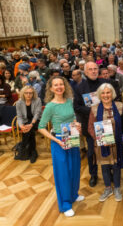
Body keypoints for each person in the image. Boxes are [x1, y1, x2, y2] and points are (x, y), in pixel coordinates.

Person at [38, 76, 84, 217]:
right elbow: (41, 127)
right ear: (51, 89)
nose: (59, 87)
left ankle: (73, 195)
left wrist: (77, 125)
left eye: (61, 84)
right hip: (59, 142)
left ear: (65, 86)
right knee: (63, 173)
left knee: (75, 169)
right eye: (56, 85)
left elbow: (72, 118)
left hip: (72, 138)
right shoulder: (50, 106)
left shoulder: (69, 101)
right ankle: (65, 204)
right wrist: (56, 140)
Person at [88, 83, 123, 202]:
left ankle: (117, 188)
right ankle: (108, 188)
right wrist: (100, 140)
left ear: (112, 93)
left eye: (108, 92)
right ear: (99, 95)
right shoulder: (94, 108)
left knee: (117, 166)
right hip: (101, 144)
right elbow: (90, 128)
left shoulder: (119, 106)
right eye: (103, 93)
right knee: (104, 167)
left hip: (117, 143)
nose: (106, 95)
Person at [74, 61, 107, 187]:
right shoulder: (79, 88)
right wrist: (94, 110)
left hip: (105, 123)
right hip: (89, 124)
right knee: (91, 152)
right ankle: (93, 174)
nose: (93, 71)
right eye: (90, 69)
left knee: (106, 148)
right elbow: (76, 107)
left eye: (95, 69)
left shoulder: (105, 84)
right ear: (85, 72)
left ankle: (108, 171)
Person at [15, 85, 42, 162]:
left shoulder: (37, 100)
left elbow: (37, 114)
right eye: (26, 93)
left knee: (29, 130)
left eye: (30, 93)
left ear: (33, 94)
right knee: (28, 131)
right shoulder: (19, 102)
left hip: (36, 121)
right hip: (25, 122)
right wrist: (21, 126)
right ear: (23, 93)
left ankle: (24, 150)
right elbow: (19, 116)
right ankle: (32, 152)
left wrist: (31, 124)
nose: (28, 95)